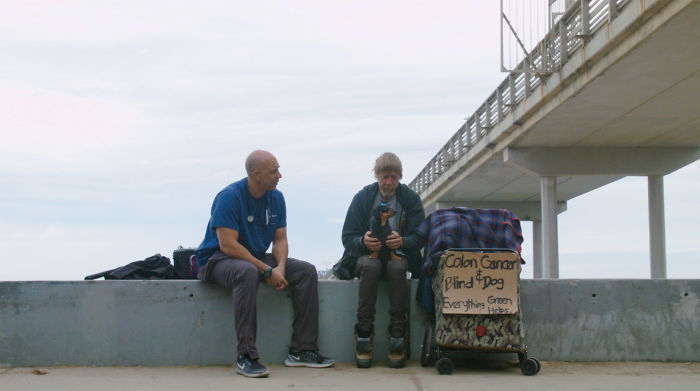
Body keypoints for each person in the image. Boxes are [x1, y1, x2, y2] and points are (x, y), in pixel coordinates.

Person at [195, 150, 334, 378]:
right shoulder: (229, 197)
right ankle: (246, 356)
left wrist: (278, 267)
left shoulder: (276, 197)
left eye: (278, 169)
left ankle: (303, 350)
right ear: (255, 174)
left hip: (255, 257)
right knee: (247, 272)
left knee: (306, 271)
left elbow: (280, 239)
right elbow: (228, 245)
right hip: (218, 259)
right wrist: (266, 270)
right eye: (274, 171)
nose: (280, 175)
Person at [337, 152, 425, 368]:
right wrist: (363, 242)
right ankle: (364, 334)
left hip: (399, 256)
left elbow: (421, 236)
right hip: (367, 256)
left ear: (400, 177)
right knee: (371, 266)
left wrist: (403, 242)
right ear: (377, 175)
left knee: (396, 269)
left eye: (394, 177)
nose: (389, 182)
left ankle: (397, 335)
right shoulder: (363, 198)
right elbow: (348, 237)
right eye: (385, 177)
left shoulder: (410, 199)